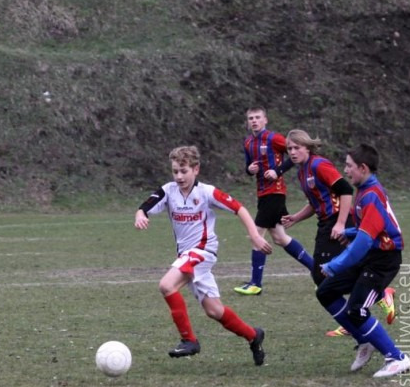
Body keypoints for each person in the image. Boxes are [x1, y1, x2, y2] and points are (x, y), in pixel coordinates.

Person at [134, 145, 273, 365]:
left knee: (167, 285)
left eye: (184, 171)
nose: (179, 176)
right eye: (175, 171)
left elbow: (239, 208)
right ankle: (253, 336)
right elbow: (145, 206)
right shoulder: (168, 191)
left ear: (196, 169)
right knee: (214, 310)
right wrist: (140, 215)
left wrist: (255, 236)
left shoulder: (207, 192)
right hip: (186, 256)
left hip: (203, 251)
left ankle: (189, 340)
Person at [281, 130, 395, 337]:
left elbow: (345, 190)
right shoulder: (302, 172)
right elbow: (316, 202)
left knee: (324, 276)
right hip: (325, 223)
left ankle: (358, 315)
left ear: (308, 147)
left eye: (297, 147)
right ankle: (365, 306)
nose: (293, 152)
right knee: (324, 277)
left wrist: (341, 223)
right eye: (289, 148)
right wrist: (296, 217)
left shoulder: (319, 165)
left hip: (337, 221)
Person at [316, 144, 410, 377]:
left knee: (357, 309)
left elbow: (363, 244)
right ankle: (364, 340)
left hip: (383, 261)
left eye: (349, 166)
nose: (345, 170)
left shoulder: (371, 195)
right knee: (325, 292)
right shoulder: (364, 191)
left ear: (363, 168)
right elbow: (368, 229)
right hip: (371, 255)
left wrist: (334, 265)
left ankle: (397, 358)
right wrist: (349, 232)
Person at [233, 107, 314, 296]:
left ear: (265, 120)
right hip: (263, 194)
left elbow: (294, 156)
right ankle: (317, 271)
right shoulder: (248, 142)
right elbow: (248, 166)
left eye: (257, 117)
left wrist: (277, 171)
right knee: (280, 238)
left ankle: (255, 284)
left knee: (256, 234)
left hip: (275, 192)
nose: (254, 121)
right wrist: (249, 170)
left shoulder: (274, 138)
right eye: (251, 118)